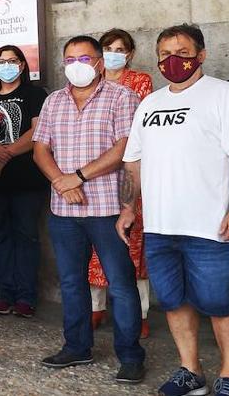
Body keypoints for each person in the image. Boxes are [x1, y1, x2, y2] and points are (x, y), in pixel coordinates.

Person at [119, 24, 229, 396]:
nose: (172, 60)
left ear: (201, 55)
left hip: (212, 226)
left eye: (182, 52)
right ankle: (190, 370)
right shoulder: (150, 103)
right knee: (173, 300)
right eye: (164, 53)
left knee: (220, 302)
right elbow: (132, 164)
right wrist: (127, 209)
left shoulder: (224, 96)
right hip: (162, 226)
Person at [31, 35, 145, 386]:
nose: (76, 64)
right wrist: (62, 182)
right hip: (64, 211)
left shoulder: (122, 97)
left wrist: (77, 176)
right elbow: (40, 149)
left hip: (107, 208)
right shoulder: (54, 101)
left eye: (84, 57)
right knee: (71, 282)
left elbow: (125, 149)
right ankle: (77, 346)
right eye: (69, 58)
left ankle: (130, 357)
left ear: (98, 62)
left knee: (121, 284)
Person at [0, 45, 48, 319]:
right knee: (0, 235)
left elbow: (38, 129)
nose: (7, 65)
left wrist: (6, 154)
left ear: (23, 65)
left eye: (13, 60)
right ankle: (4, 294)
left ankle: (26, 296)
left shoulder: (35, 94)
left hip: (27, 180)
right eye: (2, 61)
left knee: (26, 236)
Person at [91, 28, 153, 335]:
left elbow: (138, 127)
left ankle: (139, 313)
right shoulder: (90, 80)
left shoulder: (140, 81)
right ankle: (96, 307)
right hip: (94, 172)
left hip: (130, 169)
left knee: (132, 242)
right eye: (108, 47)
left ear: (129, 54)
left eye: (120, 48)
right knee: (95, 246)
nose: (114, 52)